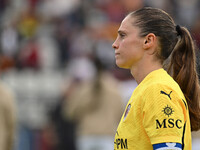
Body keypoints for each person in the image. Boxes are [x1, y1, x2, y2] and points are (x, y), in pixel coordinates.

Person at [112, 7, 200, 150]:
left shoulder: (159, 90)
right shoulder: (146, 89)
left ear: (148, 41)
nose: (114, 44)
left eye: (122, 35)